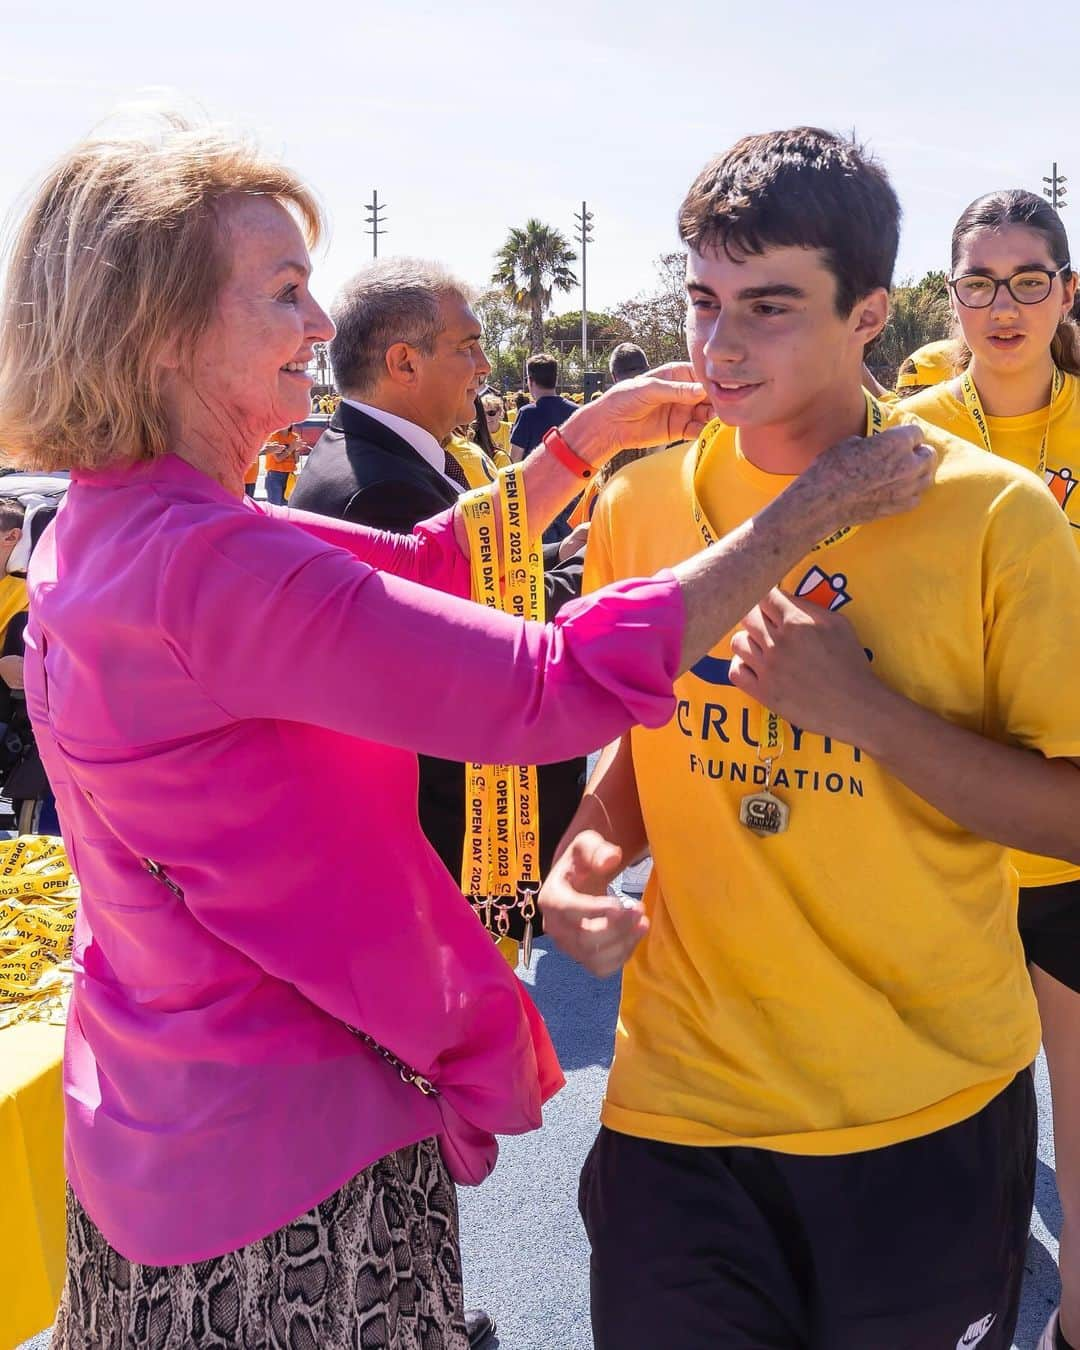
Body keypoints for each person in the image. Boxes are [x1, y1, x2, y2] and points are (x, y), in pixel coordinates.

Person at [0, 119, 933, 1350]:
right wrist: (806, 515)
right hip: (281, 1158)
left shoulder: (126, 523)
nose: (324, 325)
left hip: (161, 1125)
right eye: (285, 293)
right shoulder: (201, 559)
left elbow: (422, 565)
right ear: (163, 331)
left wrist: (584, 443)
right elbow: (545, 687)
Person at [540, 128, 1080, 1350]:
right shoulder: (639, 503)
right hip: (679, 1107)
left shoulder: (995, 516)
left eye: (769, 307)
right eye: (703, 303)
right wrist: (579, 859)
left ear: (869, 315)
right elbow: (647, 742)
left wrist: (867, 714)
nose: (719, 346)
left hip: (923, 1107)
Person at [291, 260, 589, 989]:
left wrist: (553, 553)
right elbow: (479, 623)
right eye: (468, 346)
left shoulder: (376, 458)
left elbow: (475, 566)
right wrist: (596, 574)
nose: (486, 367)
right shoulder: (378, 487)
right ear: (403, 361)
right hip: (439, 850)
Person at [903, 189, 1080, 1350]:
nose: (1002, 305)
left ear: (1067, 292)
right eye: (979, 280)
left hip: (1065, 829)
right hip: (930, 833)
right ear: (948, 295)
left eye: (1028, 279)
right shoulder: (900, 432)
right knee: (945, 1116)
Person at [263, 423, 303, 504]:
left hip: (289, 476)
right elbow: (278, 458)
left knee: (286, 505)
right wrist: (291, 448)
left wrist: (297, 450)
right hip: (274, 475)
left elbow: (296, 460)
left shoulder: (295, 437)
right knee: (275, 506)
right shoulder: (273, 436)